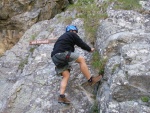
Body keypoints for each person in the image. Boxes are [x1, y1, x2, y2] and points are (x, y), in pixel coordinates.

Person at [51, 25, 103, 104]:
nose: (76, 33)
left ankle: (61, 96)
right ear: (72, 30)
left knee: (66, 75)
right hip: (62, 54)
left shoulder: (62, 38)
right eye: (75, 31)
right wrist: (89, 49)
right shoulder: (71, 34)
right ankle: (90, 80)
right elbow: (81, 43)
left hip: (54, 57)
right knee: (81, 59)